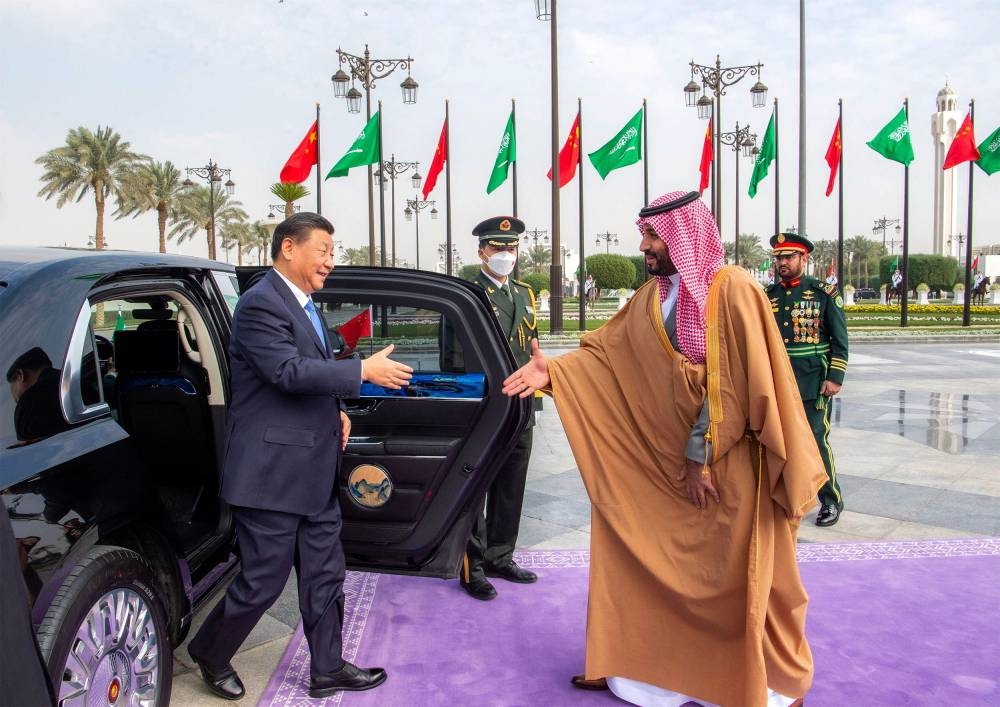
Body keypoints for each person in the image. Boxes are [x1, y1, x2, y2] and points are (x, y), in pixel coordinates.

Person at [502, 191, 827, 707]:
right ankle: (654, 671)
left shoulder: (732, 290)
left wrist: (701, 455)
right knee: (641, 547)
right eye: (645, 234)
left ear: (682, 236)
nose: (644, 245)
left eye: (654, 235)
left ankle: (750, 681)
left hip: (730, 467)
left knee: (732, 576)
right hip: (670, 464)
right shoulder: (651, 297)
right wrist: (555, 372)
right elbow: (609, 356)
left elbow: (738, 382)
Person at [187, 212, 413, 700]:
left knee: (326, 574)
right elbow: (286, 372)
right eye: (324, 250)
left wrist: (336, 411)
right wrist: (362, 372)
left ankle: (327, 668)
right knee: (262, 582)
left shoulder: (306, 305)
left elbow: (312, 370)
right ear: (289, 248)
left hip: (313, 469)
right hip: (270, 474)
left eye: (333, 252)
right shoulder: (260, 304)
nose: (331, 261)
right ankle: (210, 650)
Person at [457, 215, 540, 600]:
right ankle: (473, 567)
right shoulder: (467, 293)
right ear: (481, 252)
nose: (505, 253)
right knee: (477, 487)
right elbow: (454, 354)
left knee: (511, 486)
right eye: (497, 247)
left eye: (511, 247)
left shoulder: (524, 293)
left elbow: (532, 349)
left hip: (521, 406)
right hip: (485, 406)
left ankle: (500, 556)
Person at [766, 232, 849, 527]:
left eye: (788, 257)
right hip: (778, 382)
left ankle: (831, 500)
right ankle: (788, 497)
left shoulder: (824, 293)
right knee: (779, 442)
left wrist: (835, 376)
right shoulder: (769, 296)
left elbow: (840, 339)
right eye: (779, 258)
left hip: (814, 381)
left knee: (815, 441)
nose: (782, 263)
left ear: (804, 259)